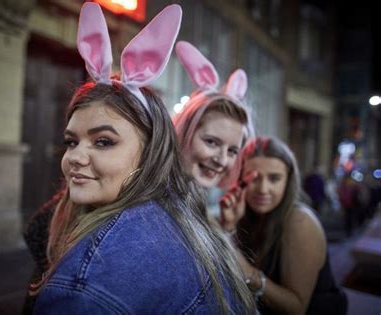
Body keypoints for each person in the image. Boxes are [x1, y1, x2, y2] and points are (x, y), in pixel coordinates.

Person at [28, 3, 255, 314]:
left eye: (103, 141)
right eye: (71, 141)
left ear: (151, 150)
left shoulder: (179, 214)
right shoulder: (78, 224)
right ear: (179, 135)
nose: (221, 159)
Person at [220, 136, 347, 314]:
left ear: (288, 181)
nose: (263, 189)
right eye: (254, 178)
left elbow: (297, 308)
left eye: (274, 179)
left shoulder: (299, 221)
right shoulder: (245, 214)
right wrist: (228, 226)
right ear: (240, 180)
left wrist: (249, 273)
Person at [173, 41, 254, 192]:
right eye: (211, 142)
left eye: (232, 151)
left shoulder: (190, 201)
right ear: (182, 133)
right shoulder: (153, 206)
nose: (222, 160)